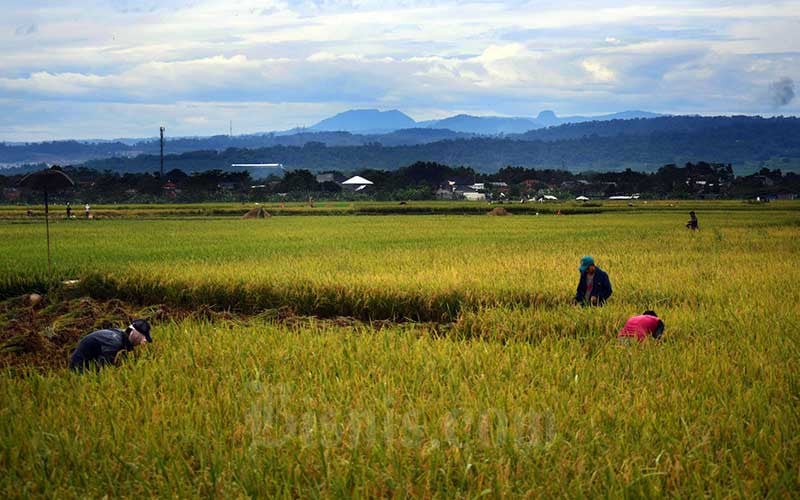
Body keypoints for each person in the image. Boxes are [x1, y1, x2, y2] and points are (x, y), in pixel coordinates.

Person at [69, 319, 152, 373]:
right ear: (135, 334)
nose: (144, 341)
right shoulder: (114, 342)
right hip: (79, 368)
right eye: (143, 337)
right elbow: (103, 367)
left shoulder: (121, 335)